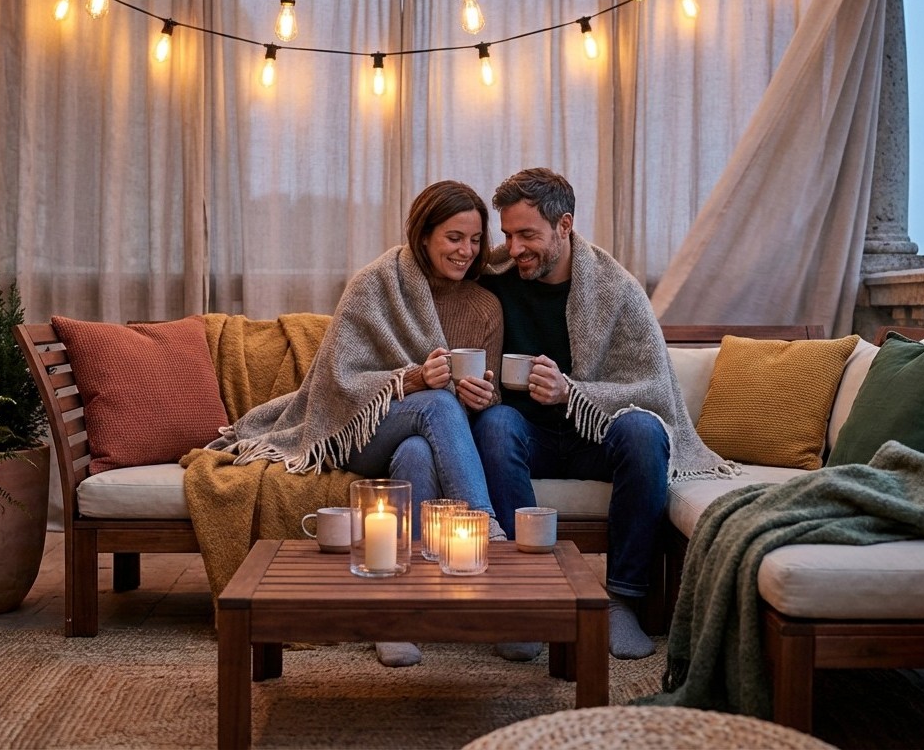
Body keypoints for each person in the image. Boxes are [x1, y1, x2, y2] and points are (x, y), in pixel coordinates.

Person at [208, 180, 506, 668]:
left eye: (475, 240)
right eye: (454, 238)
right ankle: (488, 539)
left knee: (418, 451)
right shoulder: (375, 284)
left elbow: (482, 395)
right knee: (436, 405)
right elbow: (337, 383)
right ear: (424, 234)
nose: (466, 251)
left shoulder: (485, 306)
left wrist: (481, 395)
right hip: (359, 431)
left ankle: (396, 616)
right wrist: (412, 379)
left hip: (429, 435)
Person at [473, 168, 731, 661]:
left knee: (643, 430)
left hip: (597, 441)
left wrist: (572, 392)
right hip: (527, 437)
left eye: (528, 234)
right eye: (507, 234)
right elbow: (432, 279)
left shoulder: (616, 288)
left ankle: (622, 601)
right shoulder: (496, 278)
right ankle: (527, 595)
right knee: (496, 424)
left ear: (564, 225)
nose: (515, 246)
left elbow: (652, 387)